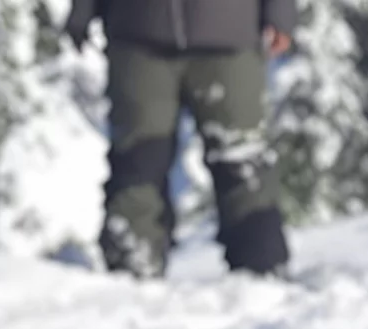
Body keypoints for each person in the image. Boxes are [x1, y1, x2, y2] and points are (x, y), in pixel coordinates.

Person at [66, 0, 296, 280]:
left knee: (242, 162)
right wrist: (82, 9)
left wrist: (280, 12)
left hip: (228, 33)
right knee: (138, 162)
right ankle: (130, 272)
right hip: (138, 32)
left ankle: (262, 272)